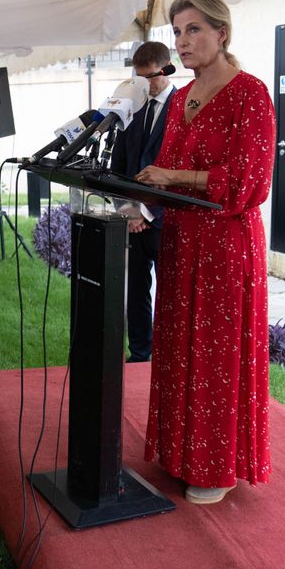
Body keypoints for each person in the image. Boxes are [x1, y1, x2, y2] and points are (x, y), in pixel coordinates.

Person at [135, 0, 275, 505]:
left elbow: (249, 183)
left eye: (193, 29)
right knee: (179, 345)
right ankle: (180, 452)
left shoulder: (251, 94)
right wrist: (141, 207)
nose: (182, 40)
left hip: (225, 244)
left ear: (222, 34)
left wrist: (174, 176)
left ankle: (217, 466)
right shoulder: (178, 98)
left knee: (216, 353)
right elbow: (162, 172)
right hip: (181, 241)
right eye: (176, 31)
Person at [110, 42, 177, 363]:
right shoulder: (132, 107)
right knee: (135, 291)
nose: (144, 85)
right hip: (132, 219)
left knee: (169, 295)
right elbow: (118, 166)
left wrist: (148, 213)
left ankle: (168, 355)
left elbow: (179, 169)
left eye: (149, 78)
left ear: (166, 68)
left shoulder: (184, 108)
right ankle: (140, 353)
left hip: (167, 220)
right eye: (138, 78)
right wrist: (128, 211)